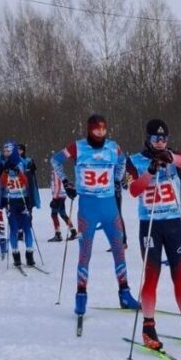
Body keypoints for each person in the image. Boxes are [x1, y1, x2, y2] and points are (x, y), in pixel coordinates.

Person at [126, 118, 181, 349]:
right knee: (152, 275)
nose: (161, 142)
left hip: (174, 222)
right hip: (151, 224)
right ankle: (148, 327)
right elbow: (133, 190)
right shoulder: (134, 161)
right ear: (148, 139)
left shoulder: (172, 157)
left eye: (164, 138)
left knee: (180, 273)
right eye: (156, 138)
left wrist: (172, 158)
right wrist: (151, 171)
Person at [52, 114, 140, 315]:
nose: (100, 132)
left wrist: (117, 180)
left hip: (109, 206)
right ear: (89, 129)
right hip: (87, 207)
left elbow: (122, 161)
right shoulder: (78, 147)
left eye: (103, 128)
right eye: (96, 129)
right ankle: (81, 296)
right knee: (85, 253)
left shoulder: (113, 146)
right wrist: (66, 183)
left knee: (119, 249)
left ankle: (124, 294)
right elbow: (55, 160)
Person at [0, 141, 40, 268]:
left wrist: (20, 173)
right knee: (14, 228)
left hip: (23, 199)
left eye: (9, 151)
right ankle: (16, 255)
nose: (6, 154)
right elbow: (1, 184)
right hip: (10, 200)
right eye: (4, 151)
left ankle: (29, 254)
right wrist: (5, 173)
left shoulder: (24, 162)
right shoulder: (2, 164)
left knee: (27, 227)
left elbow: (28, 182)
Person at [48, 159, 77, 242]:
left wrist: (54, 198)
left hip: (58, 196)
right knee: (62, 214)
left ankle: (58, 234)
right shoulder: (61, 172)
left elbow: (57, 185)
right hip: (62, 195)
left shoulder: (55, 172)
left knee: (54, 214)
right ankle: (73, 231)